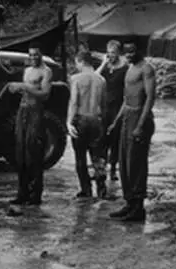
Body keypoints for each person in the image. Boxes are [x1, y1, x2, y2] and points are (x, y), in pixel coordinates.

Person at [107, 40, 156, 223]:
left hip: (139, 117)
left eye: (132, 51)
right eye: (126, 53)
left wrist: (140, 125)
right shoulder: (130, 68)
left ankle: (138, 208)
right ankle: (129, 202)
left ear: (140, 50)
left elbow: (150, 98)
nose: (128, 55)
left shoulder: (147, 69)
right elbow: (126, 100)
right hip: (128, 117)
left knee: (136, 164)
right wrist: (116, 122)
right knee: (125, 163)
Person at [7, 44, 53, 207]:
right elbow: (26, 90)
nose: (33, 58)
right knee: (20, 153)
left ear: (41, 55)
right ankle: (22, 192)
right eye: (30, 55)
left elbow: (45, 94)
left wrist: (25, 87)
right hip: (23, 109)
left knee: (33, 152)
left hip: (35, 111)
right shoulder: (27, 71)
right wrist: (19, 89)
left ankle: (35, 194)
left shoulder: (46, 71)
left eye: (36, 55)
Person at [67, 47, 108, 200]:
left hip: (81, 120)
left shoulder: (76, 79)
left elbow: (74, 102)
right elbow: (104, 105)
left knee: (80, 158)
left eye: (76, 63)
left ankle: (86, 190)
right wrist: (103, 123)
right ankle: (102, 190)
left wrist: (68, 122)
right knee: (98, 158)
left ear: (81, 62)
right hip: (96, 120)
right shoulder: (101, 80)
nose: (76, 66)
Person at [97, 40, 128, 181]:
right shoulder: (105, 67)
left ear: (119, 54)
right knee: (101, 138)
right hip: (104, 106)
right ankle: (101, 169)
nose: (111, 56)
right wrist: (103, 63)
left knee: (115, 138)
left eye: (113, 53)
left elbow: (126, 90)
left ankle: (114, 169)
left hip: (117, 106)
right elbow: (95, 78)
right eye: (108, 53)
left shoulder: (124, 68)